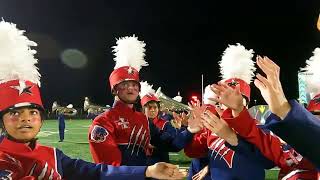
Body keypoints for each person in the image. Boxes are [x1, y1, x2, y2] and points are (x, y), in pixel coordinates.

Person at [0, 20, 186, 180]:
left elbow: (97, 172)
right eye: (15, 113)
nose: (26, 119)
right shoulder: (103, 122)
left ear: (40, 119)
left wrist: (149, 170)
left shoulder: (54, 156)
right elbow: (107, 165)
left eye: (33, 112)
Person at [88, 36, 202, 166]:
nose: (131, 88)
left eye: (134, 84)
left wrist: (190, 130)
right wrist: (146, 172)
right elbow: (109, 169)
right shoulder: (103, 122)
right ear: (114, 90)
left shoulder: (143, 119)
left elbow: (171, 144)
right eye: (125, 84)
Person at [184, 44, 274, 180]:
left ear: (246, 103)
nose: (230, 103)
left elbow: (269, 162)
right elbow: (192, 152)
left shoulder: (258, 127)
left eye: (236, 98)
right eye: (226, 99)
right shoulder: (212, 126)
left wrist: (233, 138)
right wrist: (192, 131)